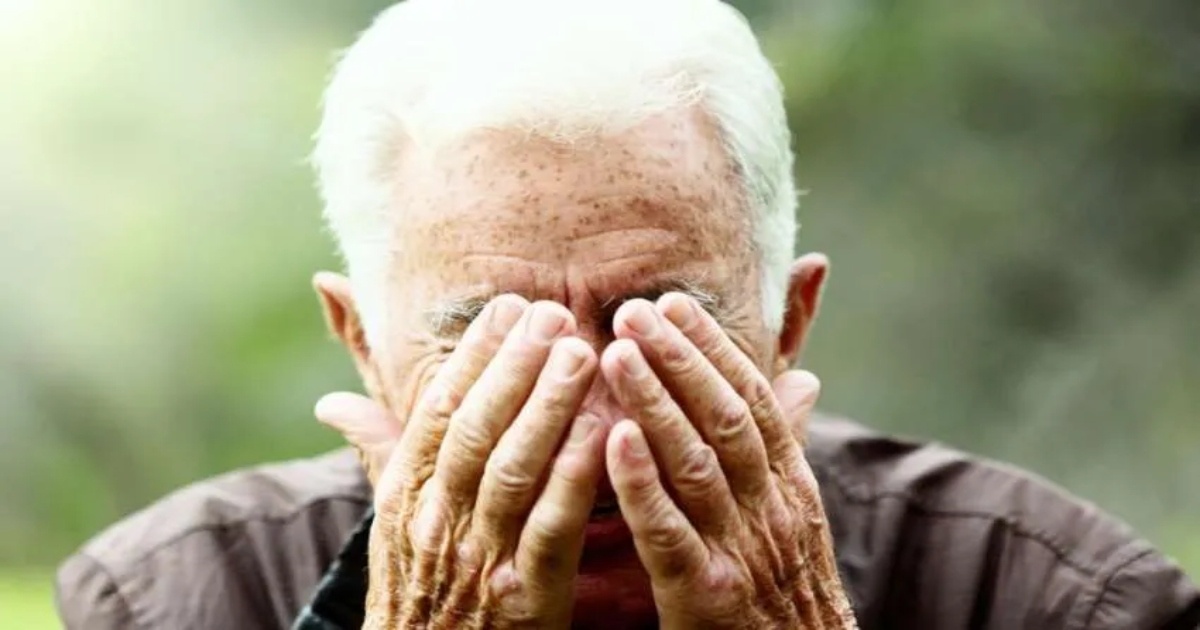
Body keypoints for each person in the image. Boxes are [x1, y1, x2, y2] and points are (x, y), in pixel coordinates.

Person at [55, 0, 1199, 628]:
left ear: (787, 321)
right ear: (363, 343)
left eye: (660, 322)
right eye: (494, 335)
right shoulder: (170, 602)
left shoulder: (1061, 601)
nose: (594, 429)